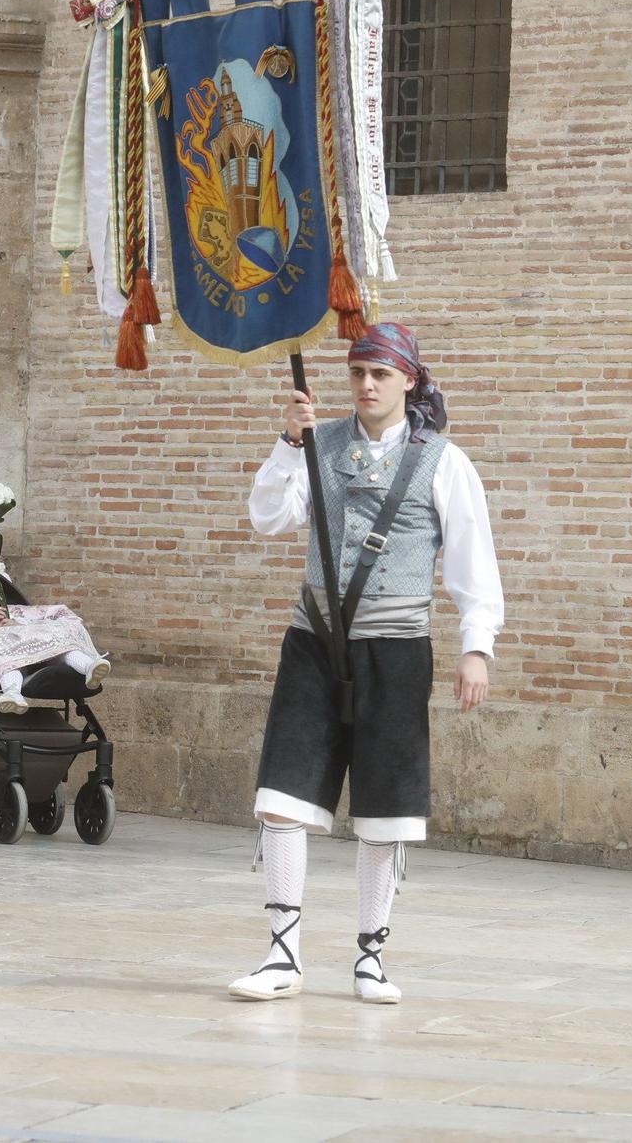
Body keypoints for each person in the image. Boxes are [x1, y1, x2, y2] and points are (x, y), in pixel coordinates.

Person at [229, 323, 503, 1005]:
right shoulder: (314, 443)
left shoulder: (443, 460)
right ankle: (282, 955)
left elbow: (473, 560)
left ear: (409, 380)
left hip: (397, 649)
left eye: (381, 373)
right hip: (314, 641)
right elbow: (268, 517)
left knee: (385, 813)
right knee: (284, 800)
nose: (367, 384)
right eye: (357, 372)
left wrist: (478, 645)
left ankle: (371, 958)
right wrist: (289, 443)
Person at [0, 589, 108, 713]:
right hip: (8, 662)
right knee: (8, 668)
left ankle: (90, 667)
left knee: (62, 650)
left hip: (40, 656)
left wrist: (17, 626)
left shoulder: (4, 618)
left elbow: (34, 630)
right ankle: (12, 694)